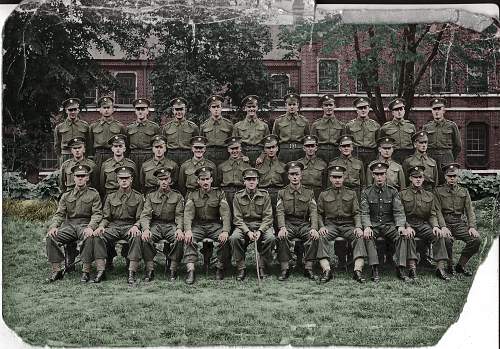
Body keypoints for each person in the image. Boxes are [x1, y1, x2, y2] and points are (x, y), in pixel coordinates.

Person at [316, 165, 376, 283]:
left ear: (343, 178)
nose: (337, 180)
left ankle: (357, 271)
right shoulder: (324, 194)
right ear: (330, 179)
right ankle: (327, 270)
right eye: (334, 177)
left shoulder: (351, 193)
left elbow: (356, 213)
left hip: (348, 225)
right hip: (331, 225)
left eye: (340, 177)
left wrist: (358, 227)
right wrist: (322, 226)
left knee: (359, 236)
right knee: (322, 237)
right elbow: (318, 213)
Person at [361, 161, 417, 282]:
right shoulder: (366, 192)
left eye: (382, 174)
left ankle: (401, 268)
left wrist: (400, 226)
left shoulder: (393, 191)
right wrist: (367, 227)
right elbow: (364, 212)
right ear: (373, 175)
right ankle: (374, 268)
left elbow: (398, 211)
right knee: (368, 237)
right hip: (374, 225)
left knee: (401, 235)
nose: (379, 177)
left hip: (388, 225)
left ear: (386, 175)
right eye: (377, 174)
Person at [45, 164, 102, 283]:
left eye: (83, 176)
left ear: (87, 178)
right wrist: (54, 226)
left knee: (90, 237)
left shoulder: (94, 194)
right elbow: (60, 214)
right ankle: (57, 270)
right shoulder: (66, 195)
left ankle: (86, 271)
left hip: (85, 225)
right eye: (78, 176)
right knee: (51, 237)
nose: (80, 178)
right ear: (74, 178)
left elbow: (97, 214)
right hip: (70, 226)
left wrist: (91, 227)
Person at [91, 166, 144, 284]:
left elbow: (141, 217)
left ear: (131, 180)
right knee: (98, 236)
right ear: (118, 180)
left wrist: (136, 226)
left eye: (127, 178)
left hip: (129, 226)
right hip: (114, 226)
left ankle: (132, 271)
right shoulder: (110, 197)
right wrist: (101, 227)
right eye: (121, 178)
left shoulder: (138, 197)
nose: (124, 181)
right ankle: (101, 270)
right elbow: (106, 217)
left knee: (136, 236)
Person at [400, 165, 451, 281]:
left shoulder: (429, 195)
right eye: (415, 177)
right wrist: (407, 227)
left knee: (438, 235)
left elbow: (432, 214)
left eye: (420, 177)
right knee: (408, 236)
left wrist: (436, 227)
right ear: (410, 178)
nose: (418, 179)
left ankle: (440, 268)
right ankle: (412, 268)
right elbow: (400, 214)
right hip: (408, 223)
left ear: (423, 179)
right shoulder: (402, 194)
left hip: (423, 225)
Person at [134, 167, 185, 282]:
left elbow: (179, 215)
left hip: (171, 225)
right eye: (161, 179)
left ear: (170, 180)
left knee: (179, 238)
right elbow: (146, 215)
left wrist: (179, 229)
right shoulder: (151, 196)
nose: (164, 182)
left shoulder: (177, 196)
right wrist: (146, 229)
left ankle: (173, 268)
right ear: (157, 181)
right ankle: (150, 269)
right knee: (146, 238)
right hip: (156, 225)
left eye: (166, 179)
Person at [183, 167, 231, 284]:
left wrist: (225, 231)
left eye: (207, 179)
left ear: (211, 180)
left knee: (225, 239)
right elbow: (188, 213)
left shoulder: (219, 193)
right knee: (189, 239)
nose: (205, 182)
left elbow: (225, 214)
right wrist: (188, 230)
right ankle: (191, 270)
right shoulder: (192, 195)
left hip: (214, 225)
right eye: (202, 179)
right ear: (198, 181)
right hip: (198, 225)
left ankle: (219, 267)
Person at [434, 163, 481, 277]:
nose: (452, 178)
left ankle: (461, 265)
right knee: (447, 240)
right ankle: (450, 265)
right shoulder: (438, 191)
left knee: (476, 240)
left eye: (454, 176)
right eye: (449, 176)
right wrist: (443, 226)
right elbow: (437, 211)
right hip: (445, 222)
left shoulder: (463, 191)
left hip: (458, 223)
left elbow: (469, 211)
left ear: (458, 176)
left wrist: (472, 227)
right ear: (445, 176)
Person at [275, 161, 319, 281]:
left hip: (304, 224)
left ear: (301, 175)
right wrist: (282, 227)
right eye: (292, 174)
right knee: (282, 237)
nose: (294, 177)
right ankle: (285, 268)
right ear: (288, 176)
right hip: (288, 224)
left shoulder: (309, 192)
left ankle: (308, 268)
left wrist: (314, 228)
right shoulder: (282, 193)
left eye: (297, 174)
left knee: (314, 236)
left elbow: (314, 212)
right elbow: (280, 211)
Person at [230, 168, 276, 281]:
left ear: (258, 181)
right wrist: (247, 232)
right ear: (244, 181)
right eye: (248, 179)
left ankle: (262, 266)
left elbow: (268, 217)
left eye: (254, 179)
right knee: (234, 238)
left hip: (261, 225)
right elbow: (237, 218)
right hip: (244, 226)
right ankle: (241, 268)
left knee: (270, 238)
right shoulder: (237, 196)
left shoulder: (265, 195)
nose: (251, 182)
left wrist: (260, 231)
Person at [422, 98, 462, 184]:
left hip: (446, 158)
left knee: (446, 183)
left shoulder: (451, 126)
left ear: (444, 110)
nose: (437, 112)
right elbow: (423, 145)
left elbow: (458, 146)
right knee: (431, 182)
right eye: (434, 109)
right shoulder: (427, 127)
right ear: (431, 111)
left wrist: (450, 157)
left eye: (439, 109)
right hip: (431, 158)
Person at [88, 96, 126, 171]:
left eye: (108, 108)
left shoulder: (119, 126)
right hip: (98, 156)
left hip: (113, 155)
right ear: (100, 110)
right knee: (98, 178)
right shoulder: (93, 126)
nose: (106, 110)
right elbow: (90, 144)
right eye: (104, 108)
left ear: (112, 109)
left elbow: (125, 144)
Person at [232, 95, 270, 165]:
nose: (251, 109)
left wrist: (262, 157)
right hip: (244, 155)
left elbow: (268, 144)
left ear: (257, 107)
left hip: (259, 156)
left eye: (253, 106)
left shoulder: (264, 126)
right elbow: (234, 145)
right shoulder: (238, 126)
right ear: (245, 108)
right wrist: (242, 156)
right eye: (249, 107)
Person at [272, 93, 309, 162]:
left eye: (294, 104)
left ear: (298, 105)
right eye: (289, 105)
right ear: (285, 105)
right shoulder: (279, 121)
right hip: (284, 152)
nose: (292, 107)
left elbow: (307, 138)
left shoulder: (304, 121)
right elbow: (274, 139)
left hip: (300, 152)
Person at [162, 97, 200, 166]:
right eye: (176, 109)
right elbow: (163, 145)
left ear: (185, 110)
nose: (179, 112)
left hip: (187, 155)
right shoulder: (167, 127)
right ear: (173, 110)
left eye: (181, 109)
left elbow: (197, 144)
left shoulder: (193, 127)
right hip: (171, 156)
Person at [217, 136, 251, 211]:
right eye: (232, 149)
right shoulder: (222, 166)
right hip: (226, 194)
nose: (234, 151)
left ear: (240, 149)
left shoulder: (247, 165)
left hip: (242, 193)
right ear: (228, 149)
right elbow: (218, 182)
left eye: (236, 148)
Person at [345, 96, 380, 171]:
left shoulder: (375, 125)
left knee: (371, 175)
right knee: (356, 174)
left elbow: (379, 142)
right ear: (357, 110)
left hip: (371, 154)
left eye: (365, 108)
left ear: (368, 109)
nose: (363, 110)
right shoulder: (349, 125)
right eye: (360, 108)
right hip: (356, 153)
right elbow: (346, 142)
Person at [126, 98, 160, 172]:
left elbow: (159, 144)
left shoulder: (154, 127)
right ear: (135, 111)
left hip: (148, 156)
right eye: (138, 109)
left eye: (143, 109)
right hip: (133, 157)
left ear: (147, 111)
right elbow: (127, 145)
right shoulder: (129, 128)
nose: (140, 112)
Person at [54, 98, 90, 166]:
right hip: (66, 156)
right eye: (70, 110)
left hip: (81, 156)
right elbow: (57, 146)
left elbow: (88, 143)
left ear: (78, 110)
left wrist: (86, 156)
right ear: (66, 111)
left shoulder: (85, 126)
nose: (73, 112)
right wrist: (61, 157)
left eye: (75, 109)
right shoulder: (60, 127)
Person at [379, 98, 416, 165]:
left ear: (404, 111)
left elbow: (415, 143)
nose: (399, 112)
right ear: (392, 112)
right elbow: (380, 145)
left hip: (409, 156)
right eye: (396, 110)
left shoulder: (411, 126)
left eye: (401, 109)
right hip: (393, 156)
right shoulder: (385, 127)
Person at [255, 134, 287, 209]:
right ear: (265, 150)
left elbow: (286, 185)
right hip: (263, 194)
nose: (271, 150)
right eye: (268, 148)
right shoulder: (259, 165)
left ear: (277, 148)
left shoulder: (283, 166)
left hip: (278, 194)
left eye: (273, 147)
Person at [311, 94, 345, 163]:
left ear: (334, 106)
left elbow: (343, 143)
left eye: (331, 105)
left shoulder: (341, 125)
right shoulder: (316, 125)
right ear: (322, 107)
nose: (328, 107)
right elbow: (312, 143)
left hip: (336, 153)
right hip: (320, 154)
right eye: (326, 105)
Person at [200, 95, 233, 166]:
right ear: (209, 109)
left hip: (224, 155)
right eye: (213, 107)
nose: (216, 109)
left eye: (218, 107)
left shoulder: (228, 124)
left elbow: (232, 142)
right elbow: (201, 143)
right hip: (208, 155)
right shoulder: (204, 125)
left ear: (221, 108)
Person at [297, 135, 328, 199]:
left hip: (318, 193)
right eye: (307, 146)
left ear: (316, 148)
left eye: (312, 146)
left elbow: (325, 184)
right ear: (304, 148)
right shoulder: (299, 164)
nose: (310, 148)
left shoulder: (322, 164)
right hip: (302, 193)